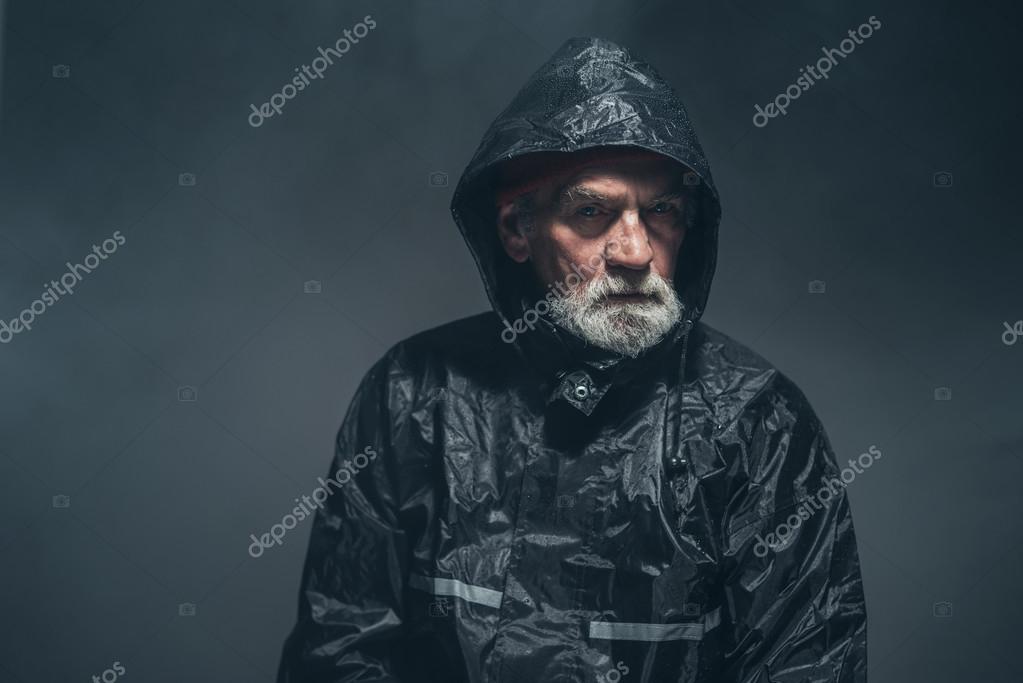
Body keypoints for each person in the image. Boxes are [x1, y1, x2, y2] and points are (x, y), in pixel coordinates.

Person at [277, 36, 867, 683]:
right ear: (517, 229)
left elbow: (809, 667)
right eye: (592, 211)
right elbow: (339, 652)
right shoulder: (414, 395)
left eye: (660, 210)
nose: (635, 251)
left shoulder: (760, 422)